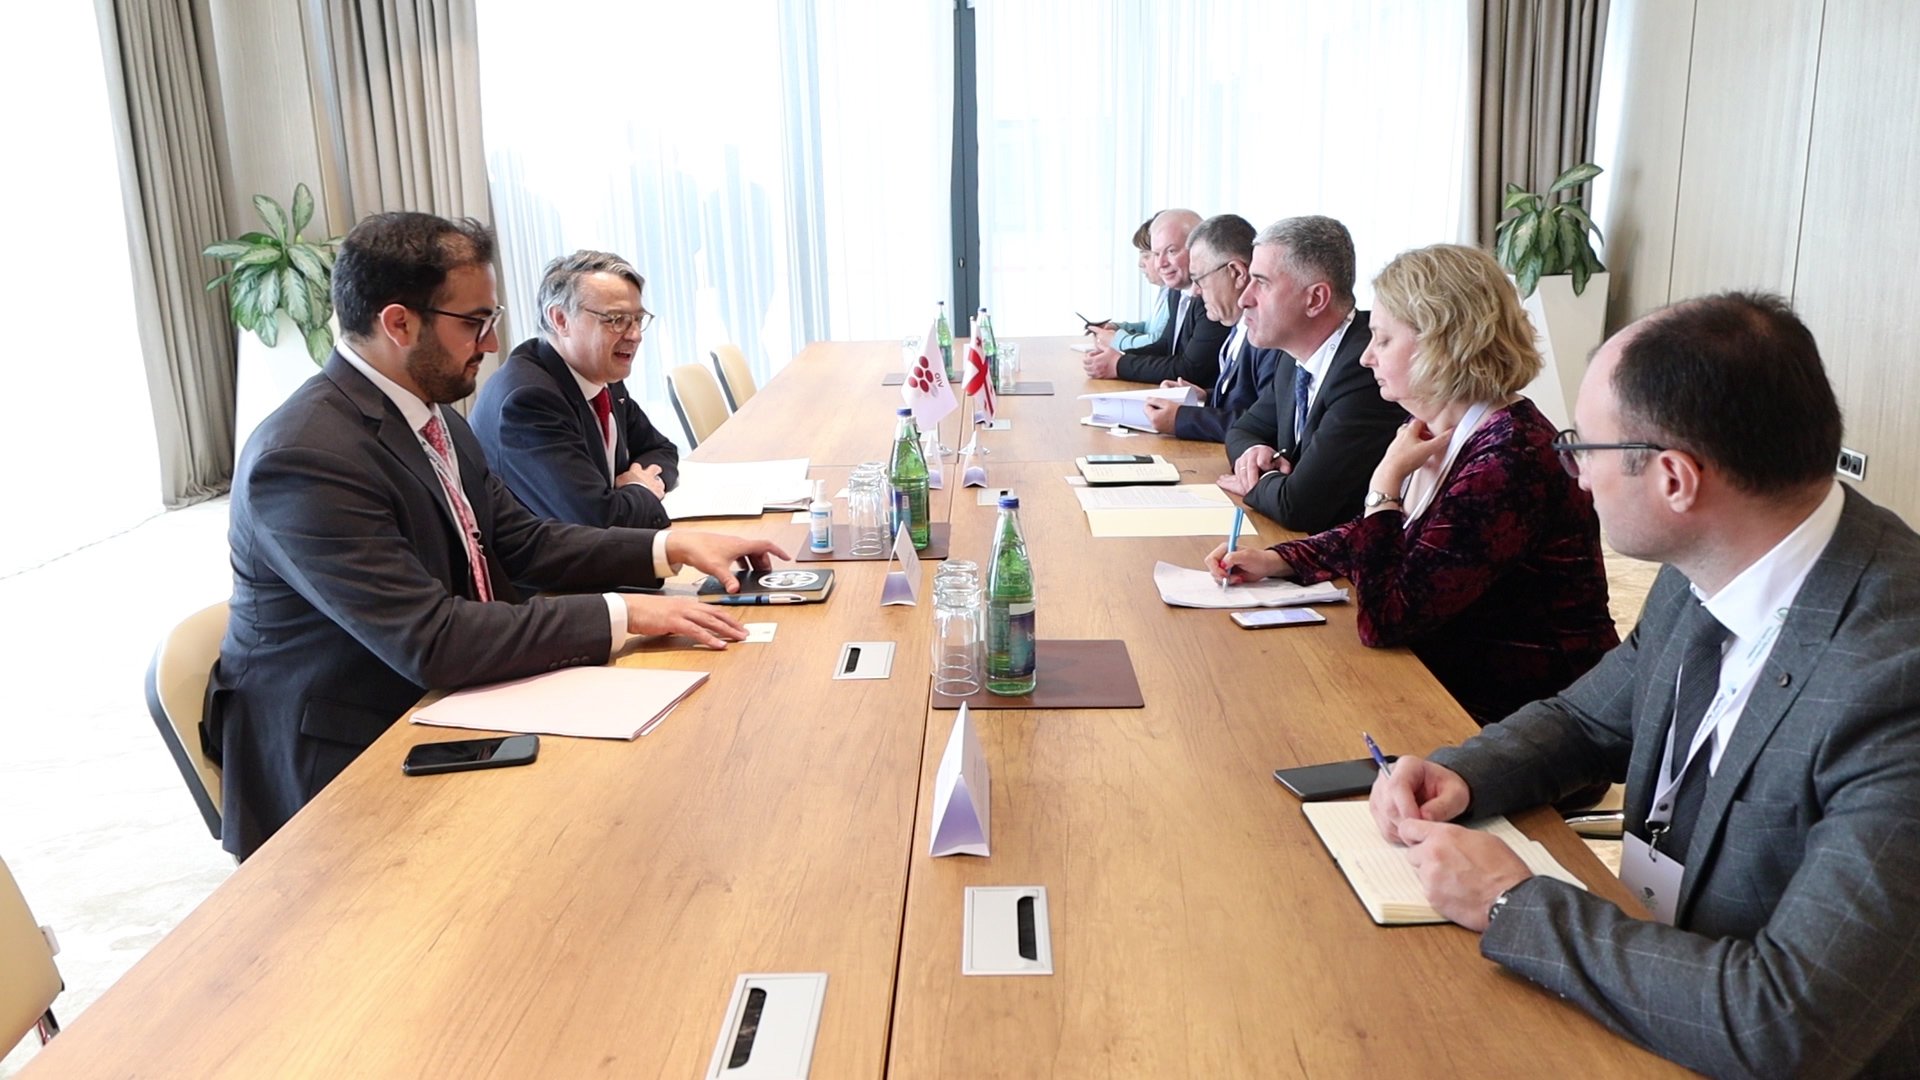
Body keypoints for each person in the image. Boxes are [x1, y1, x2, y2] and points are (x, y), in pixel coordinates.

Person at [1368, 292, 1920, 1075]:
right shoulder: (1716, 557)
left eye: (1582, 448)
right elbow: (1589, 719)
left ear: (1675, 479)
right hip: (1658, 976)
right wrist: (1463, 772)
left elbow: (1792, 1024)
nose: (1576, 477)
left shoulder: (1895, 677)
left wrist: (1512, 904)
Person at [213, 212, 785, 860]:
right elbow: (432, 639)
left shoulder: (435, 421)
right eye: (475, 322)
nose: (491, 343)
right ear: (398, 323)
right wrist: (628, 612)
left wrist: (670, 548)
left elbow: (524, 542)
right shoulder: (304, 456)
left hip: (459, 699)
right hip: (350, 763)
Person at [1209, 244, 1617, 723]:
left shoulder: (1512, 456)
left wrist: (1385, 486)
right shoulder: (1440, 426)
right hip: (1451, 684)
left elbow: (1386, 619)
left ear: (1439, 345)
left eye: (1382, 340)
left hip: (1525, 719)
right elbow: (1385, 537)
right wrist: (1281, 559)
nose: (1365, 358)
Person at [471, 250, 680, 530]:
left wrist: (636, 485)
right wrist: (641, 490)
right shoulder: (528, 401)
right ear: (560, 319)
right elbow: (597, 521)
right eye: (616, 319)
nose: (635, 335)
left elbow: (661, 449)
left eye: (637, 319)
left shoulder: (601, 375)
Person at [1219, 215, 1403, 532]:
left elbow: (1300, 506)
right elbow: (1242, 430)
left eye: (1262, 283)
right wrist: (1253, 455)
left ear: (1315, 299)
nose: (1244, 298)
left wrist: (1257, 482)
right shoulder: (1292, 358)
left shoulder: (1364, 370)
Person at [1139, 213, 1282, 442]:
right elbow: (1244, 400)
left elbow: (1264, 425)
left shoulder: (1269, 338)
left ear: (1236, 273)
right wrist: (1204, 397)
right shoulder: (1236, 327)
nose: (1195, 292)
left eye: (1200, 279)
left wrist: (1181, 418)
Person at [1081, 208, 1230, 387]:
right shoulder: (1176, 291)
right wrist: (1115, 357)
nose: (1161, 264)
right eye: (1157, 254)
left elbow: (1190, 370)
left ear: (1198, 249)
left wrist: (1118, 365)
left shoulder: (1210, 298)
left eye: (1171, 251)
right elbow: (1165, 346)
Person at [1087, 215, 1171, 352]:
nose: (1140, 263)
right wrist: (1117, 328)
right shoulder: (1165, 289)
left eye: (1146, 255)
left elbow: (1158, 340)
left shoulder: (1179, 294)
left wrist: (1116, 340)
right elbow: (1149, 328)